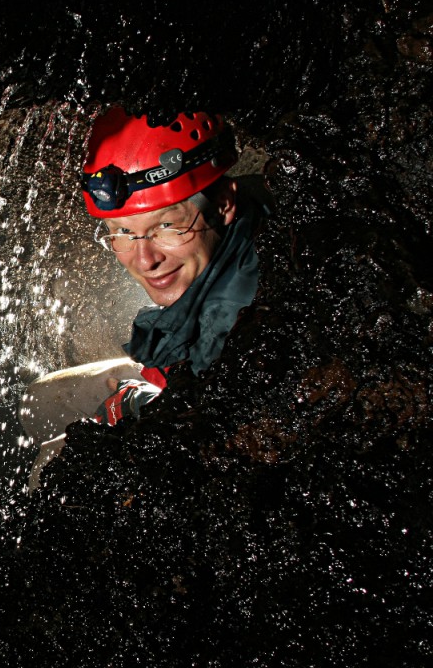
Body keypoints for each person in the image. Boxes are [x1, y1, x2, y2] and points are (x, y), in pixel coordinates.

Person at [20, 106, 268, 489]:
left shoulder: (238, 315)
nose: (145, 260)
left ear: (223, 204)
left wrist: (138, 409)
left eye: (166, 225)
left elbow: (212, 436)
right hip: (178, 386)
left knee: (55, 467)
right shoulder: (251, 213)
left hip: (209, 444)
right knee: (40, 399)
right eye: (122, 232)